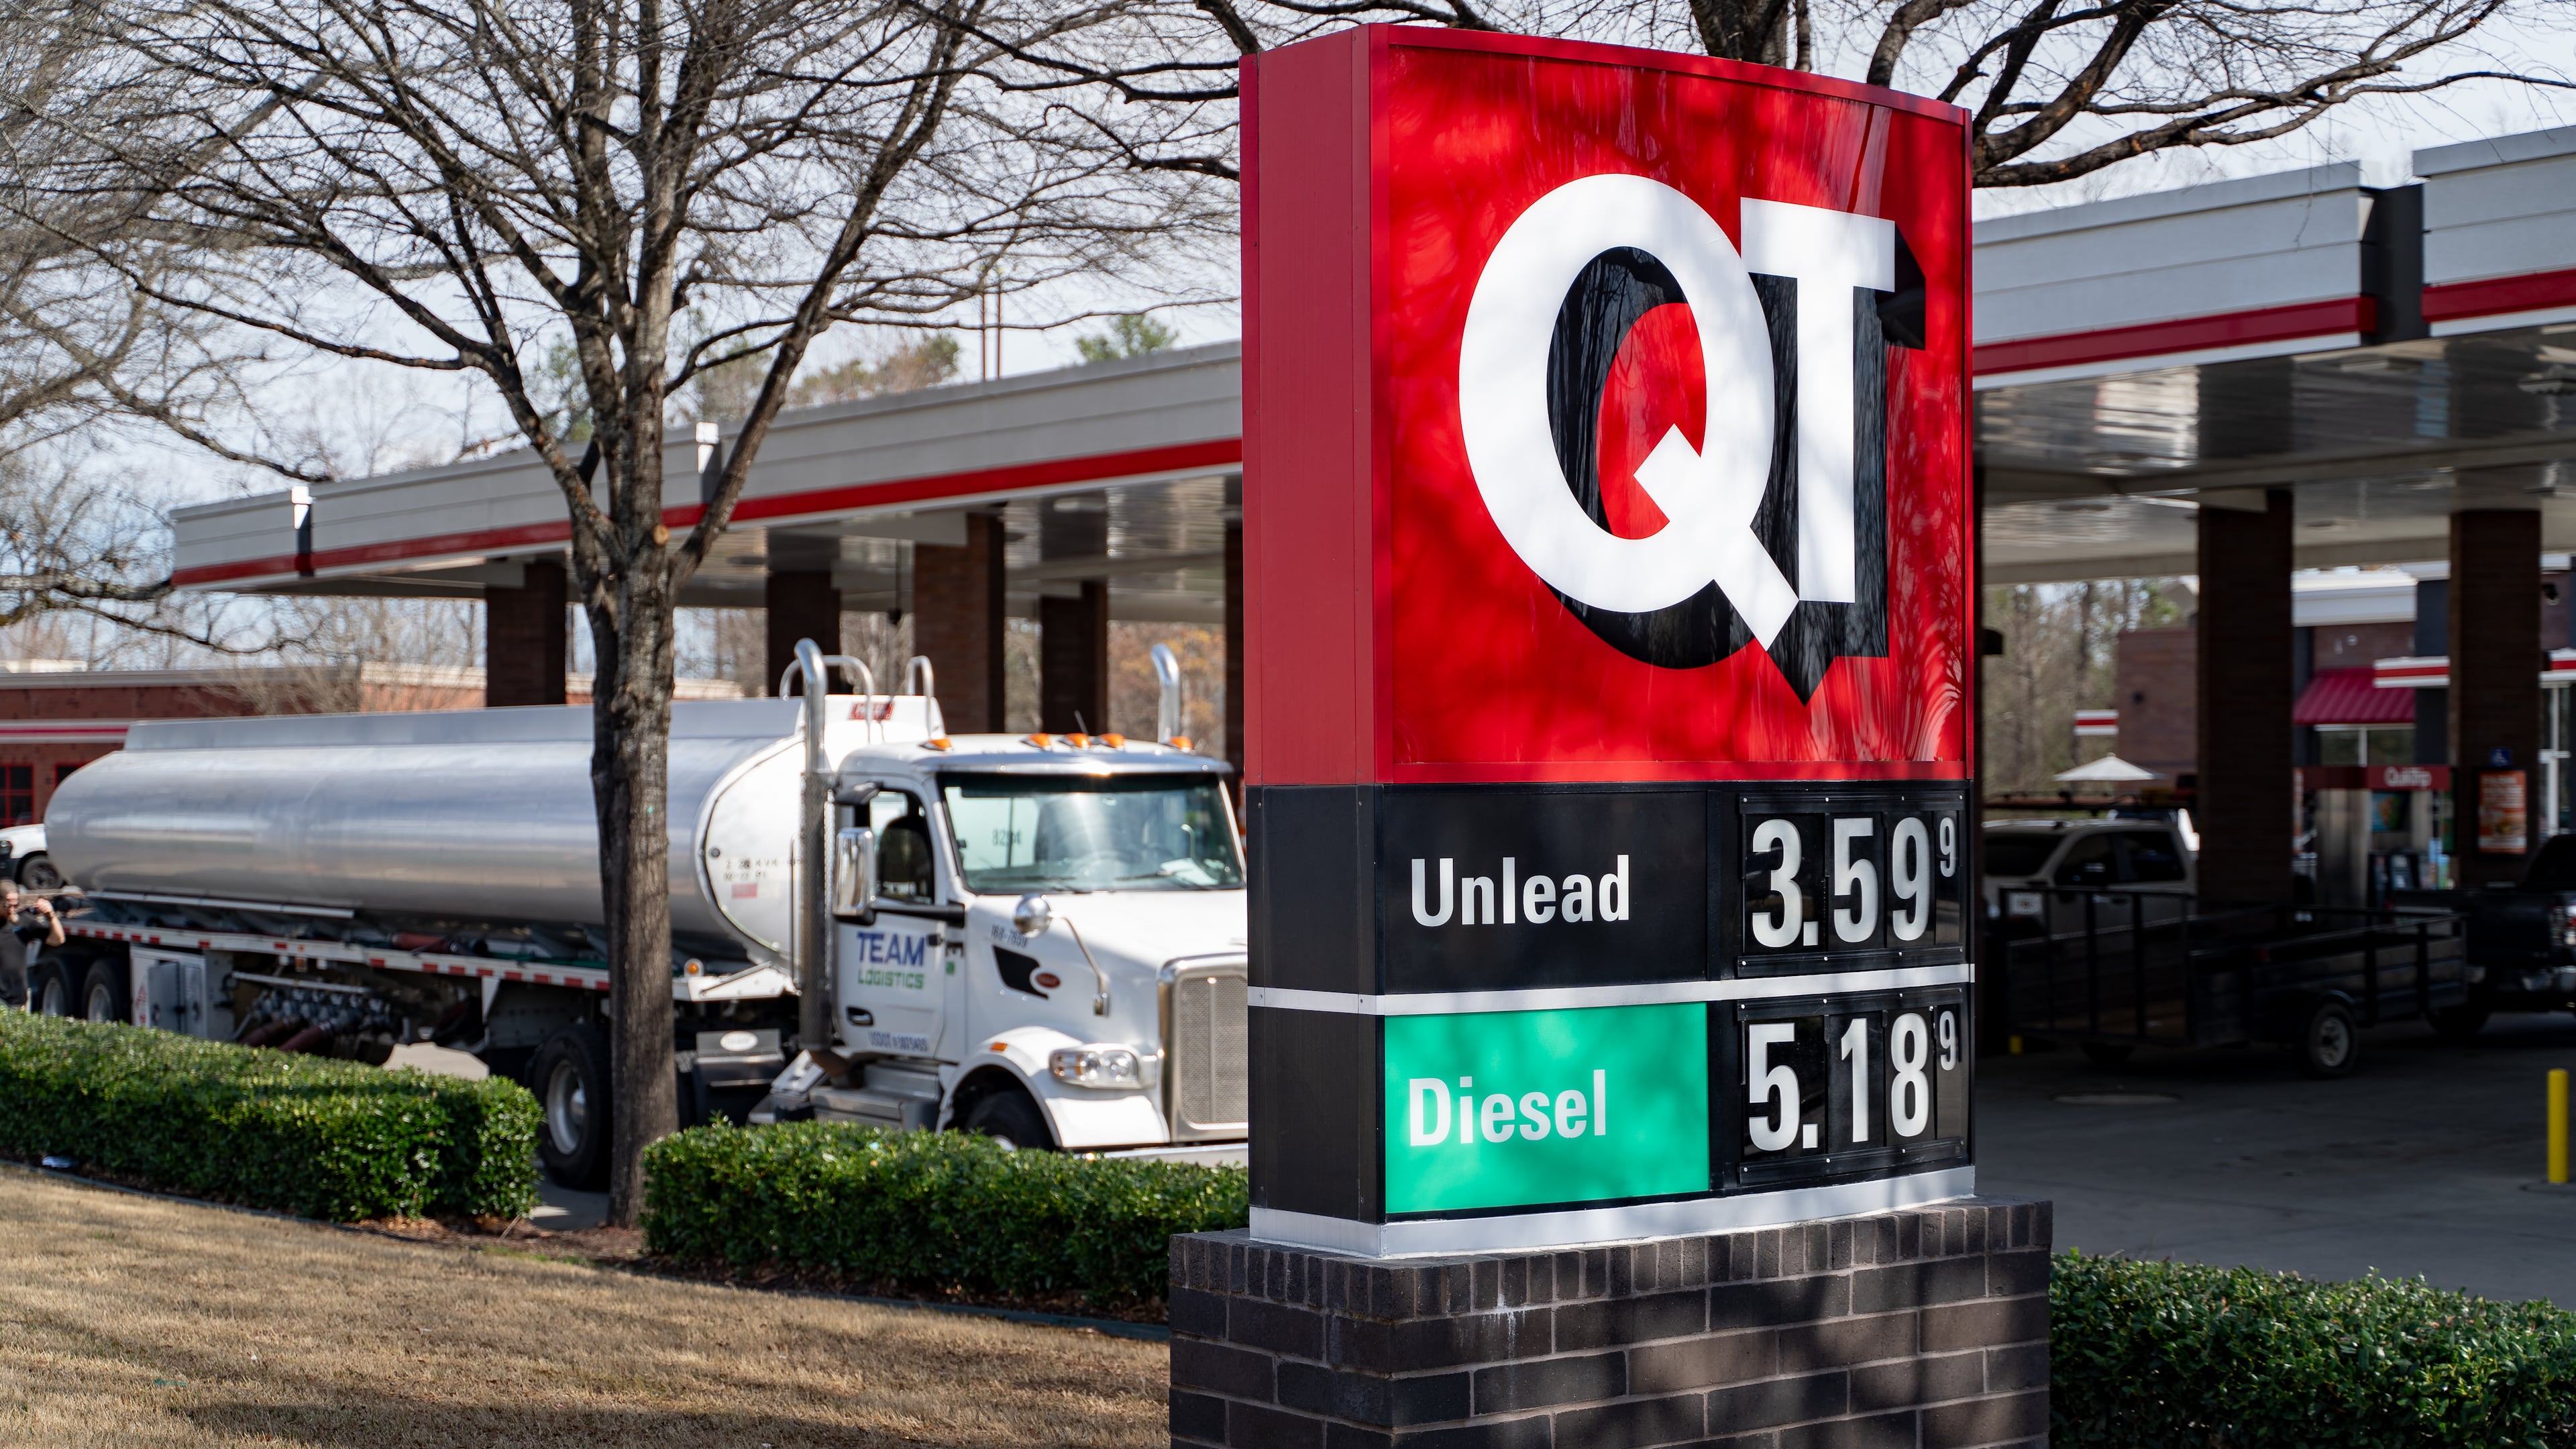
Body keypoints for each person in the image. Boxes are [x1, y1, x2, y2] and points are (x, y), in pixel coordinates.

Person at [0, 880, 64, 1012]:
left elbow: (57, 940)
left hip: (17, 1002)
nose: (12, 910)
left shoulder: (24, 922)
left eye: (15, 905)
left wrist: (51, 916)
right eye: (7, 905)